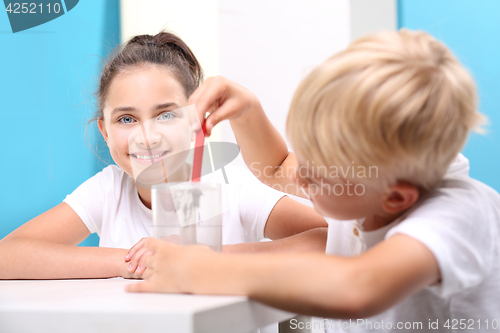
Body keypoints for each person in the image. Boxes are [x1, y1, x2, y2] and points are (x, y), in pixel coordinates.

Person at [125, 29, 500, 331]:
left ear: (397, 199)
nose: (299, 173)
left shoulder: (458, 214)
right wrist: (247, 110)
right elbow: (274, 168)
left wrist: (199, 269)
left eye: (317, 175)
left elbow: (358, 287)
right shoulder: (364, 185)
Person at [0, 31, 328, 280]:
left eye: (166, 115)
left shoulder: (231, 186)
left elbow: (325, 240)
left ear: (196, 117)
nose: (147, 137)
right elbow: (7, 255)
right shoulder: (109, 190)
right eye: (126, 119)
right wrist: (138, 260)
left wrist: (203, 257)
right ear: (105, 132)